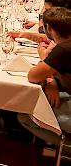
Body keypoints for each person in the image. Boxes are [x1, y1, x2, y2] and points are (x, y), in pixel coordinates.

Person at [17, 8, 71, 148]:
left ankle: (66, 146)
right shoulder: (66, 42)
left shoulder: (63, 49)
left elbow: (33, 76)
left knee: (25, 115)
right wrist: (50, 81)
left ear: (49, 28)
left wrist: (43, 56)